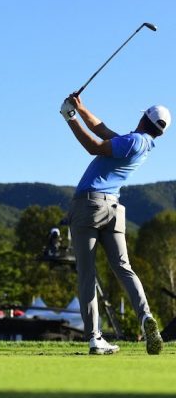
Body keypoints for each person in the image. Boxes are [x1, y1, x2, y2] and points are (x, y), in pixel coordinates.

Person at [60, 93, 171, 355]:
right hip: (113, 209)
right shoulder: (140, 144)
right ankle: (146, 318)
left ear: (144, 118)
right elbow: (103, 129)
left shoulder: (132, 141)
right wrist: (81, 108)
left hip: (89, 206)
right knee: (124, 268)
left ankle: (95, 338)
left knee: (87, 274)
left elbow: (95, 146)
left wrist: (70, 118)